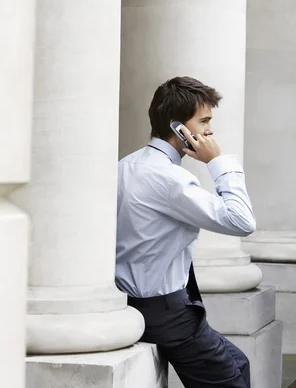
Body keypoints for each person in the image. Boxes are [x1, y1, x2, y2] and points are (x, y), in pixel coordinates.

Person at [116, 76, 256, 388]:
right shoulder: (170, 180)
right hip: (167, 314)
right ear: (179, 127)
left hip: (141, 305)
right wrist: (218, 163)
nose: (210, 131)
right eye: (204, 121)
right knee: (231, 380)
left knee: (239, 363)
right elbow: (242, 221)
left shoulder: (125, 165)